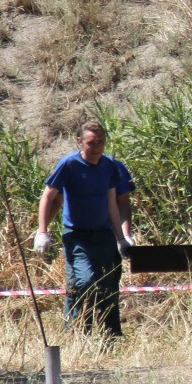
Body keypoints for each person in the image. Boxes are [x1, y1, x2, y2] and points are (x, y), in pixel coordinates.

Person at [33, 120, 137, 338]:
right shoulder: (69, 164)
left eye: (101, 142)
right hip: (77, 236)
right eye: (92, 143)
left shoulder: (109, 165)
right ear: (80, 142)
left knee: (109, 286)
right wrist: (42, 232)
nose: (97, 147)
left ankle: (112, 336)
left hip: (104, 236)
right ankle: (79, 333)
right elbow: (48, 196)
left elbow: (112, 204)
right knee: (85, 281)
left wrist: (121, 238)